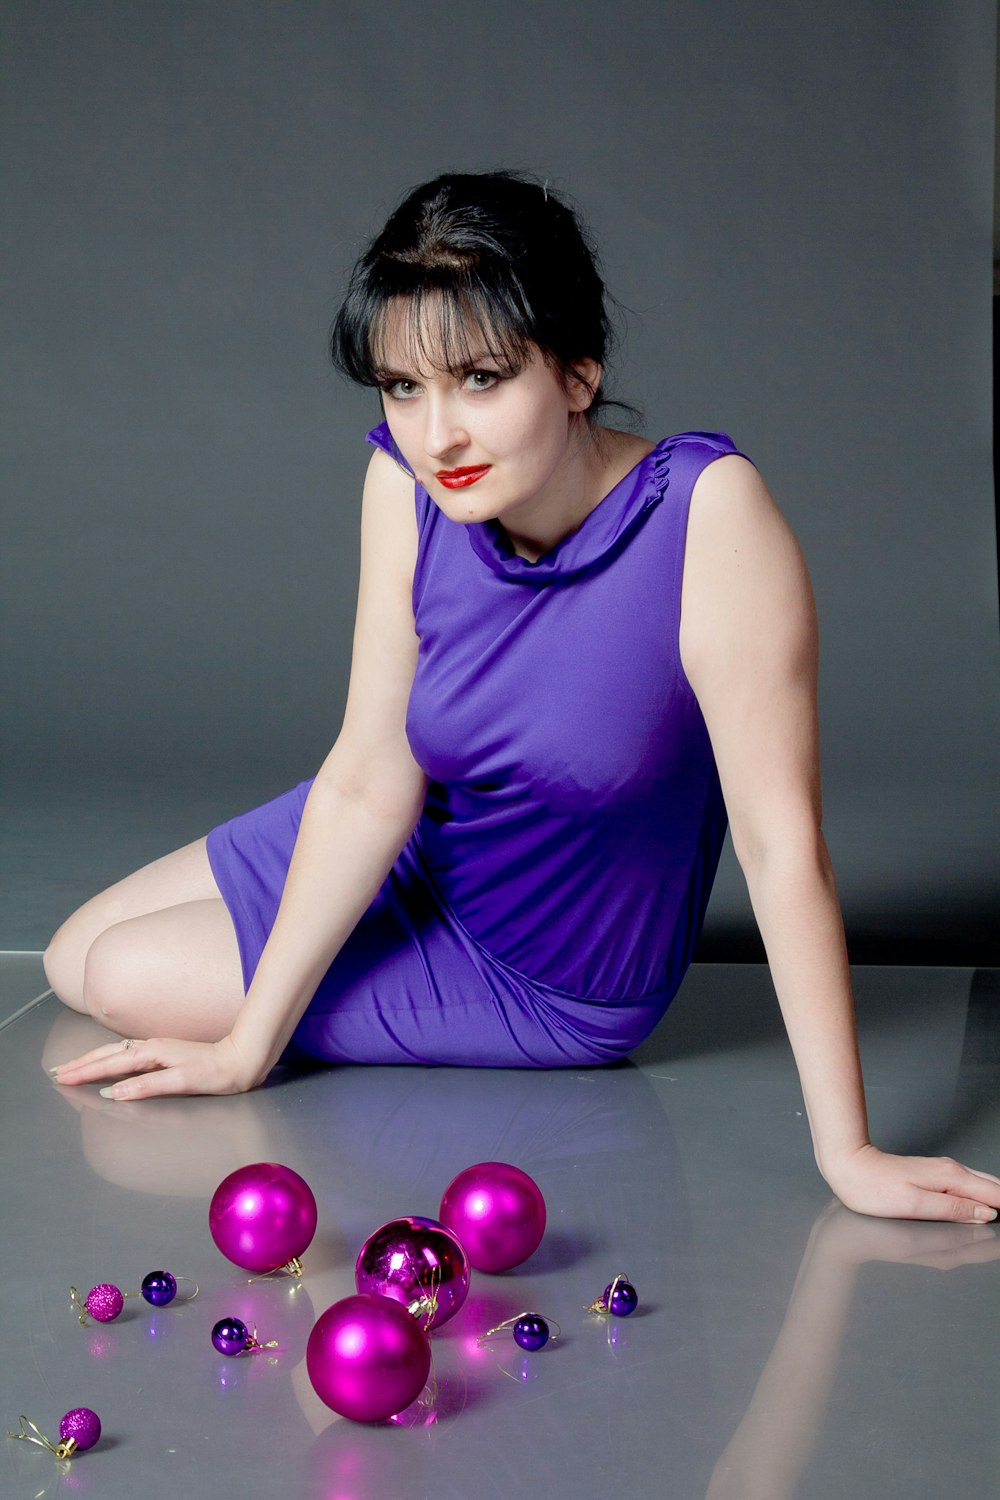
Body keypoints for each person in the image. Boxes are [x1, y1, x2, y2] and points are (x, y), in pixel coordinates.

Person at [45, 170, 999, 1225]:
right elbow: (368, 775)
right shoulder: (406, 486)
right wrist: (251, 1043)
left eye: (482, 379)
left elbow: (781, 846)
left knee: (122, 972)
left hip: (544, 972)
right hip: (421, 846)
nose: (437, 433)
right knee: (68, 956)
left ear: (579, 374)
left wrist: (849, 1150)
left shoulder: (707, 517)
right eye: (403, 387)